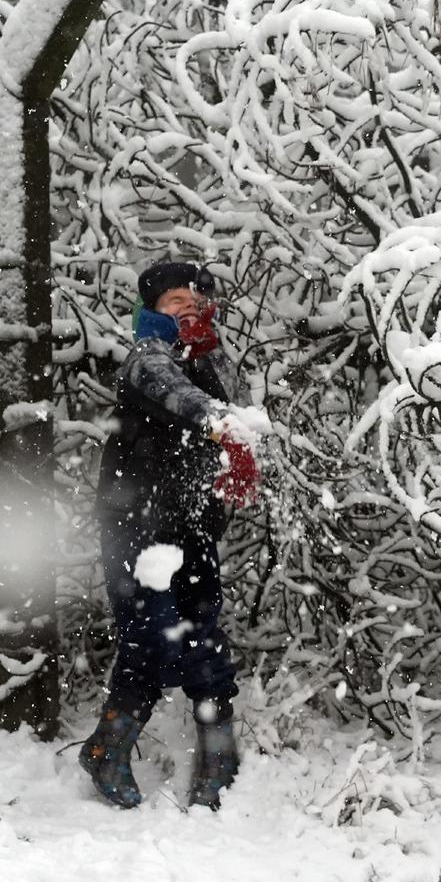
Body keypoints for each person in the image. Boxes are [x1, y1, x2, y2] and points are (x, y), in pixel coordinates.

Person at [79, 261, 263, 811]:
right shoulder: (147, 358)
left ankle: (218, 759)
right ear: (153, 309)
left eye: (195, 299)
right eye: (174, 300)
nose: (186, 306)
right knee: (152, 638)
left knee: (202, 634)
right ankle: (109, 748)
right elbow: (178, 395)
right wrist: (223, 425)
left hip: (191, 527)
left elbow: (241, 403)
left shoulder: (206, 359)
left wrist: (210, 354)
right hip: (137, 529)